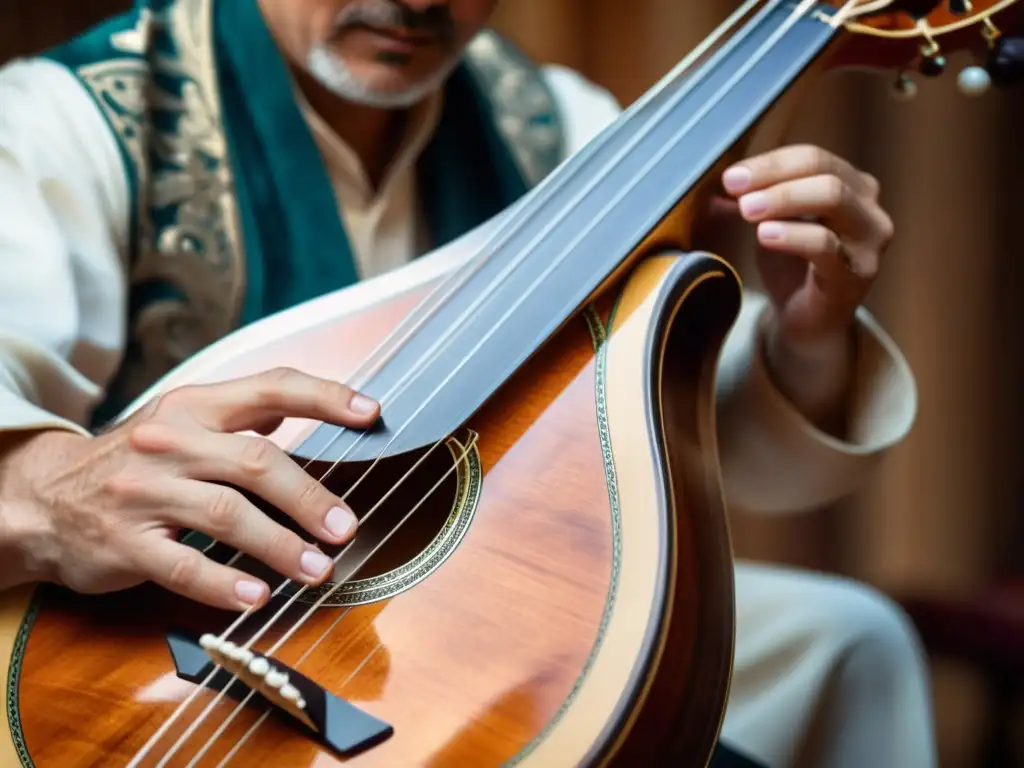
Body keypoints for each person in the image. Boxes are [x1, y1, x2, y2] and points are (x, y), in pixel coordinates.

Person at [0, 0, 936, 766]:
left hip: (439, 613)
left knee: (849, 638)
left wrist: (809, 330)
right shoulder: (73, 121)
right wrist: (45, 490)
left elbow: (686, 460)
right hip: (145, 637)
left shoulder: (564, 133)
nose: (415, 2)